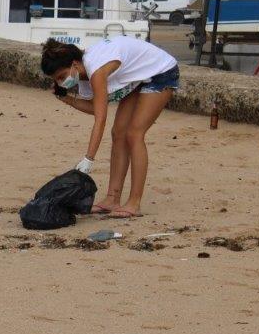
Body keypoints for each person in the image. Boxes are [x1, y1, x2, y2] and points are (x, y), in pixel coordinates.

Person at [41, 35, 180, 218]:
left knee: (134, 134)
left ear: (75, 64)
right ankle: (112, 199)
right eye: (57, 80)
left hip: (161, 72)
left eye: (61, 76)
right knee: (119, 133)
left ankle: (134, 203)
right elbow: (95, 107)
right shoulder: (84, 75)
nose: (61, 82)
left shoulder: (96, 70)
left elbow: (100, 118)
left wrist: (88, 159)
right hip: (137, 77)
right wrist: (65, 98)